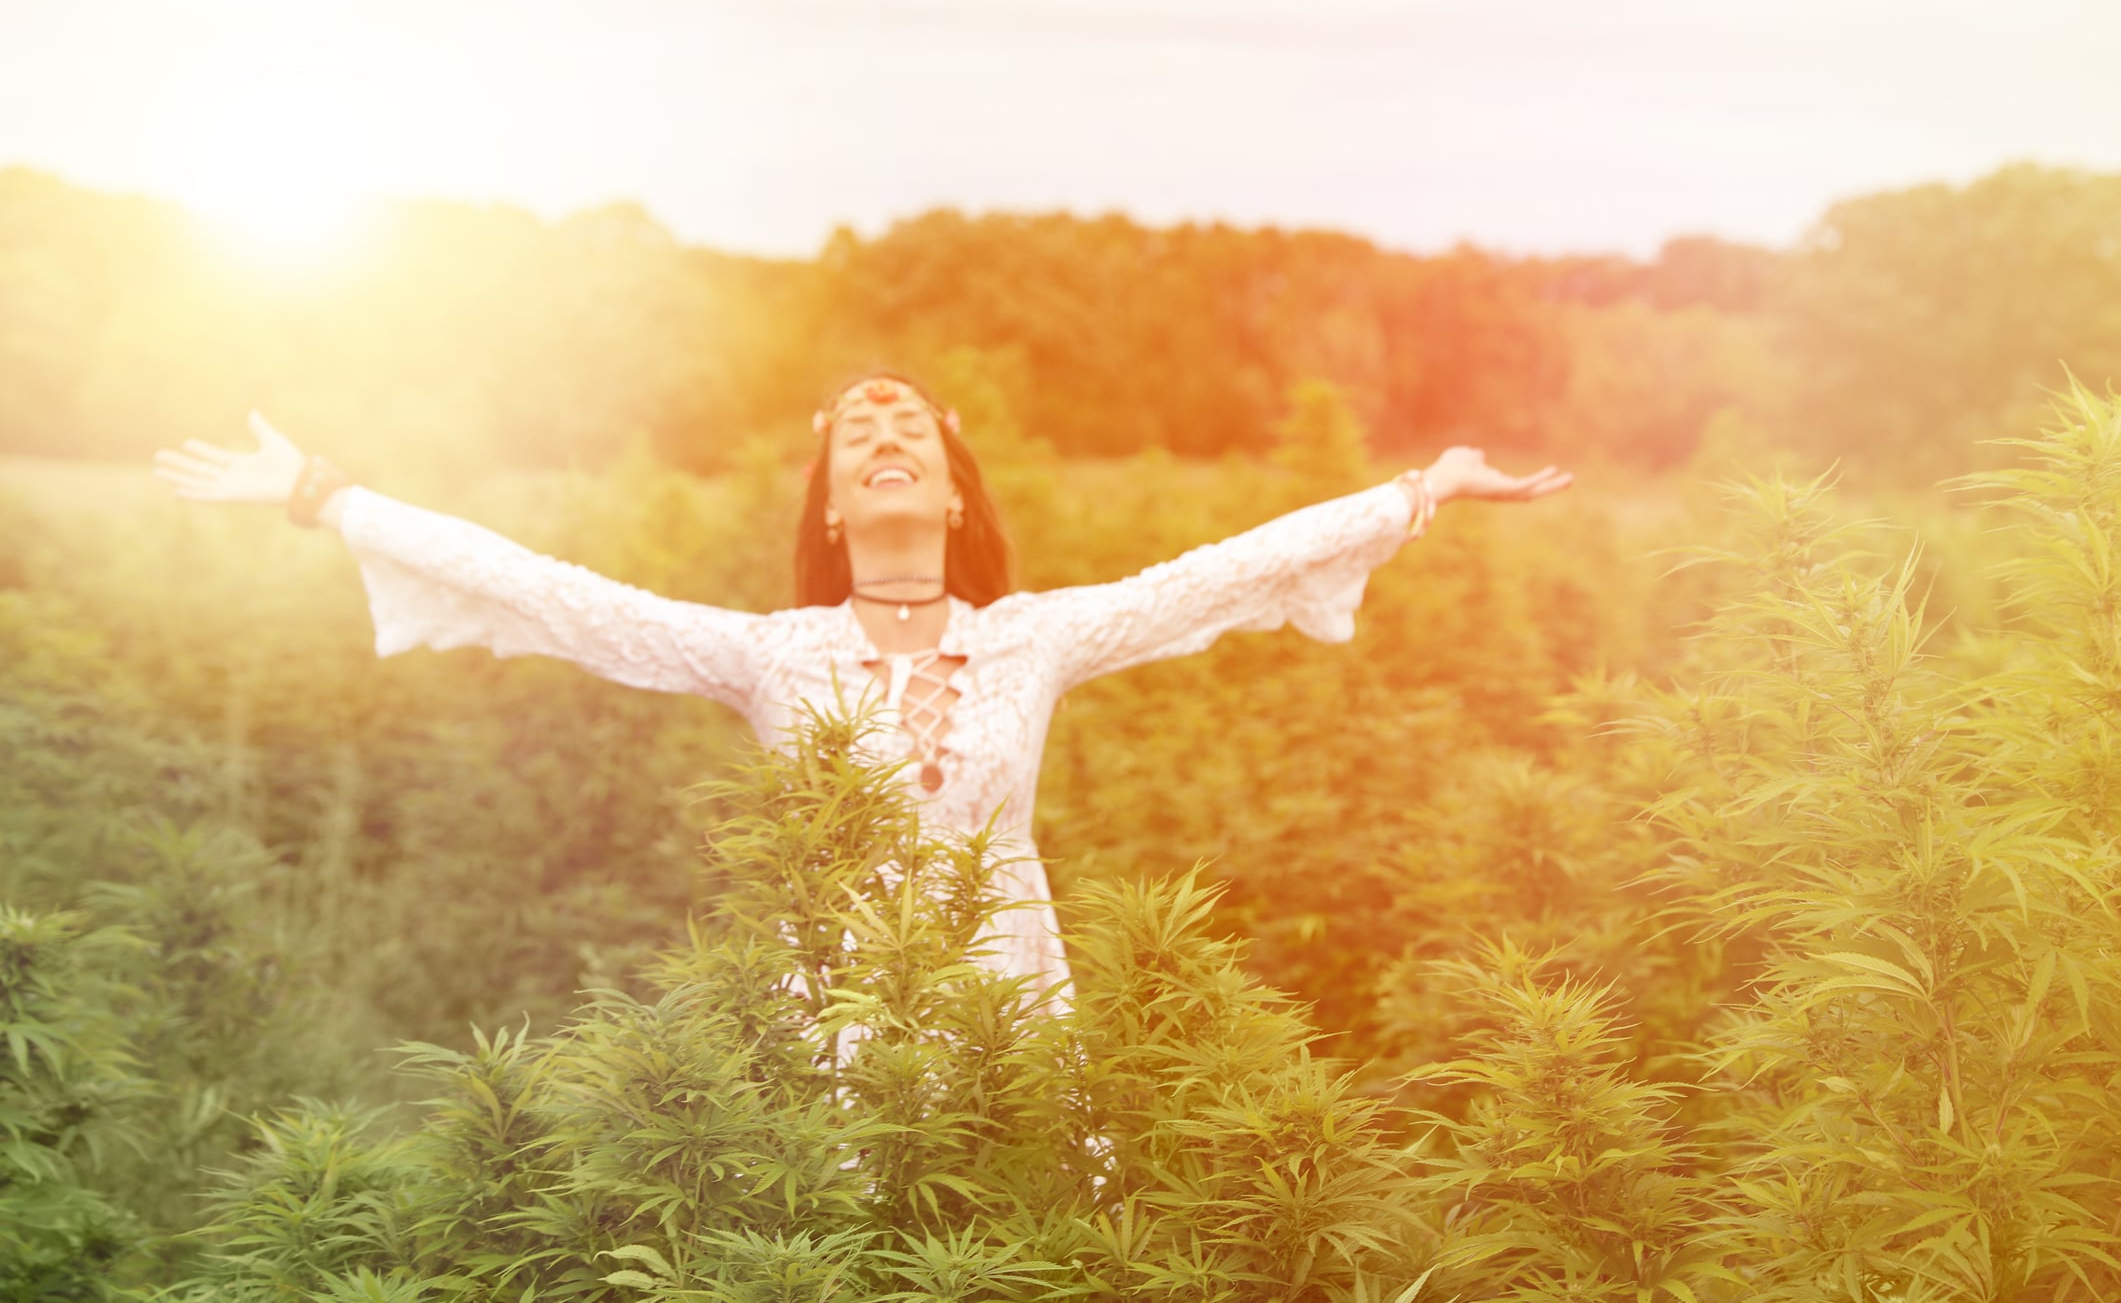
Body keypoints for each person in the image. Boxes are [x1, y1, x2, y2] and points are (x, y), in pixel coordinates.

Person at [153, 375, 1570, 1004]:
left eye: (910, 423)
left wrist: (1419, 489)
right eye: (855, 431)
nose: (883, 431)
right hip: (831, 1014)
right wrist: (323, 497)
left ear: (955, 492)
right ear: (832, 509)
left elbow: (1221, 568)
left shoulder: (1036, 636)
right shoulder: (773, 657)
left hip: (1012, 1005)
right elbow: (547, 590)